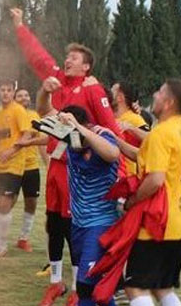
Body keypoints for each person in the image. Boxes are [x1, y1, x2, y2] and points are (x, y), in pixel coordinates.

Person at [11, 9, 121, 304]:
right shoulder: (57, 80)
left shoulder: (93, 88)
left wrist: (122, 175)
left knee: (77, 225)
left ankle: (76, 286)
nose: (67, 60)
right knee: (53, 223)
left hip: (77, 170)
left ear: (86, 66)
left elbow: (110, 132)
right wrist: (20, 26)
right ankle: (56, 281)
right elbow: (38, 57)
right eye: (68, 56)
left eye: (74, 58)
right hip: (55, 167)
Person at [117, 79, 181, 306]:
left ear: (169, 102)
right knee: (162, 288)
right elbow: (148, 157)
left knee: (135, 286)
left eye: (160, 92)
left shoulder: (161, 133)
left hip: (159, 221)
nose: (155, 95)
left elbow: (156, 179)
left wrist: (131, 201)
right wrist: (116, 141)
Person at [59, 106, 121, 306]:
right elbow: (45, 112)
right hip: (78, 224)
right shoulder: (71, 142)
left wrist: (77, 127)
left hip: (101, 223)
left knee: (85, 286)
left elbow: (113, 154)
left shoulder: (102, 137)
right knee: (97, 287)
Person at [0, 79, 36, 259]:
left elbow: (27, 134)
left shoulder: (18, 110)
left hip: (14, 165)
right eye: (2, 90)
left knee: (5, 205)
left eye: (8, 90)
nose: (5, 93)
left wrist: (12, 150)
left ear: (13, 92)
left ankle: (2, 245)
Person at [13, 88, 46, 252]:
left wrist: (48, 162)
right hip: (13, 166)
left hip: (31, 167)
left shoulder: (35, 116)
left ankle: (23, 238)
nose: (24, 97)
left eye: (26, 94)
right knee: (8, 202)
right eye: (20, 95)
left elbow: (41, 141)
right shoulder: (10, 115)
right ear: (14, 99)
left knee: (31, 202)